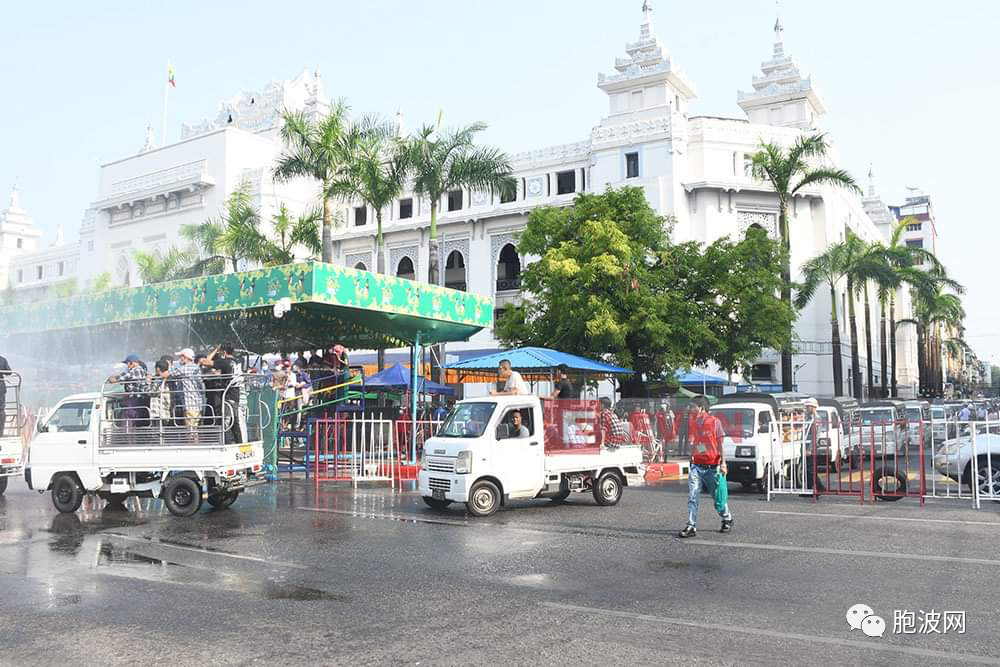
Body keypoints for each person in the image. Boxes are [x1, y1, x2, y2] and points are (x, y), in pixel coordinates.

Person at [679, 396, 733, 538]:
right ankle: (691, 526)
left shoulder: (715, 422)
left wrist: (723, 463)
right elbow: (697, 442)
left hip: (712, 467)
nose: (690, 409)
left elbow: (720, 444)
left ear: (701, 408)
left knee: (718, 498)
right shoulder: (695, 423)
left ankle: (726, 518)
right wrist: (692, 457)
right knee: (693, 496)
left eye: (693, 406)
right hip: (697, 466)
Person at [110, 354, 148, 429]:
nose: (127, 365)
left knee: (128, 418)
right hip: (135, 399)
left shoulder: (136, 370)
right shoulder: (137, 370)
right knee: (131, 419)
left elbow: (124, 377)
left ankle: (127, 437)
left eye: (127, 363)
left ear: (132, 362)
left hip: (134, 399)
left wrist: (115, 379)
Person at [171, 348, 205, 428]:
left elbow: (169, 374)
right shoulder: (195, 367)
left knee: (191, 429)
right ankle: (194, 440)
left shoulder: (186, 368)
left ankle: (193, 441)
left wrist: (169, 366)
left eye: (181, 356)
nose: (180, 359)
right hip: (197, 403)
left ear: (185, 357)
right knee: (194, 428)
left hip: (190, 404)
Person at [148, 359, 173, 429]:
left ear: (158, 369)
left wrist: (148, 382)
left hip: (158, 410)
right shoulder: (171, 376)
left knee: (158, 432)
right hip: (167, 409)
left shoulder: (157, 379)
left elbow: (151, 392)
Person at [0, 354, 11, 437]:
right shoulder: (2, 360)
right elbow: (9, 372)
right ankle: (0, 433)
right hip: (0, 388)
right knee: (1, 411)